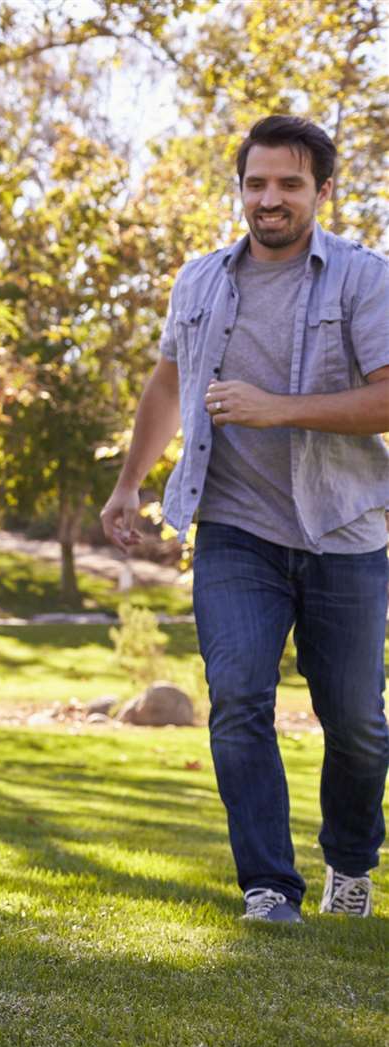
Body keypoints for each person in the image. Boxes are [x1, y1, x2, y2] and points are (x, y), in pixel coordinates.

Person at [101, 115, 389, 922]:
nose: (270, 199)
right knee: (236, 699)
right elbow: (166, 387)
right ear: (241, 188)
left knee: (359, 724)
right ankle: (268, 886)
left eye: (290, 184)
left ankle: (351, 861)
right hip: (233, 530)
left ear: (323, 192)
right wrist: (130, 485)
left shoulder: (365, 280)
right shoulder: (198, 280)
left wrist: (277, 410)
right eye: (257, 183)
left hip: (346, 532)